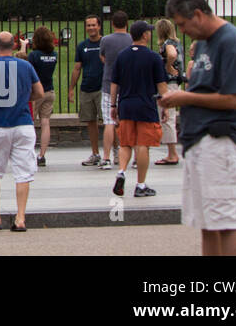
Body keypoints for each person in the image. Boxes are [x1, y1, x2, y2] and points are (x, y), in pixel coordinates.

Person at [158, 0, 236, 257]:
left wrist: (184, 99)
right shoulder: (204, 44)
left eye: (183, 24)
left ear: (198, 14)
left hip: (222, 140)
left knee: (226, 220)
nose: (183, 31)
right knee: (207, 223)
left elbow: (234, 99)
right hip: (200, 141)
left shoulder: (230, 41)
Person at [0, 32, 43, 231]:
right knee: (23, 173)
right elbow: (39, 92)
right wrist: (23, 98)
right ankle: (20, 218)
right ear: (14, 46)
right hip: (22, 122)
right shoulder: (26, 65)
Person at [110, 21, 168, 199]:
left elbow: (115, 83)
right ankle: (140, 185)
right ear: (144, 35)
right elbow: (161, 85)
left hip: (126, 104)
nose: (150, 34)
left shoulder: (122, 56)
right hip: (146, 105)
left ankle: (121, 171)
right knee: (142, 145)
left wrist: (113, 105)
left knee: (126, 143)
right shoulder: (153, 57)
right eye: (148, 32)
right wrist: (165, 106)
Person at [97, 10, 131, 169]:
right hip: (128, 85)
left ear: (112, 23)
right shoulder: (131, 39)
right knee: (128, 122)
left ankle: (106, 158)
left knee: (109, 122)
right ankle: (133, 157)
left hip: (108, 84)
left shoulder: (106, 40)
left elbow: (102, 57)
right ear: (127, 23)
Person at [70, 15, 105, 165]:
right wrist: (71, 88)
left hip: (104, 88)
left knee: (109, 122)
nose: (91, 28)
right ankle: (95, 153)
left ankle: (116, 150)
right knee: (90, 122)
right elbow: (77, 68)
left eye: (93, 25)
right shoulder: (82, 46)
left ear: (99, 26)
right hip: (86, 88)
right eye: (88, 25)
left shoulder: (105, 43)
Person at [25, 27, 57, 166]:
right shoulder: (54, 55)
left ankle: (29, 152)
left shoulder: (34, 55)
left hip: (36, 92)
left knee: (30, 122)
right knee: (45, 123)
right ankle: (42, 154)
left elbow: (28, 70)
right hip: (49, 90)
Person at [154, 18, 182, 165]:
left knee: (167, 118)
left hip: (169, 84)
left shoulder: (168, 44)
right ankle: (172, 153)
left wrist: (168, 66)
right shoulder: (177, 43)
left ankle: (172, 154)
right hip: (175, 84)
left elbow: (171, 55)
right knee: (168, 117)